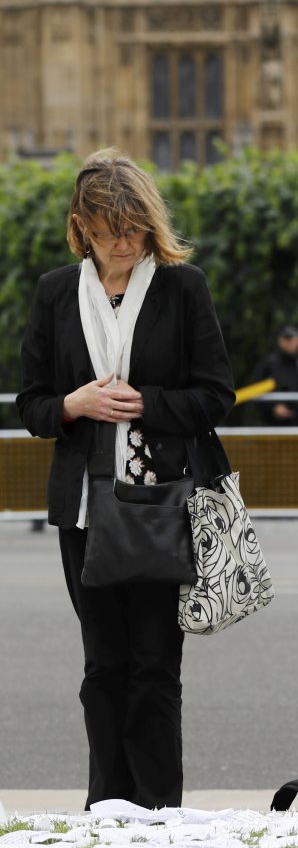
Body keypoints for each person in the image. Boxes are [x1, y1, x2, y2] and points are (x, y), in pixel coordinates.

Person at [16, 147, 235, 810]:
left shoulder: (182, 286)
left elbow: (215, 395)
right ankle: (106, 806)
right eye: (110, 228)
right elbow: (32, 405)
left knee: (154, 666)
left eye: (135, 227)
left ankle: (158, 808)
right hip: (84, 508)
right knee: (102, 666)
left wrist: (146, 402)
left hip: (161, 503)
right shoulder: (56, 292)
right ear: (82, 225)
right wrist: (73, 406)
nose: (124, 242)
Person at [251, 325, 298, 426]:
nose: (289, 342)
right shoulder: (268, 364)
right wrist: (273, 408)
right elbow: (255, 391)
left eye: (292, 339)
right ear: (279, 341)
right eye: (286, 339)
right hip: (273, 426)